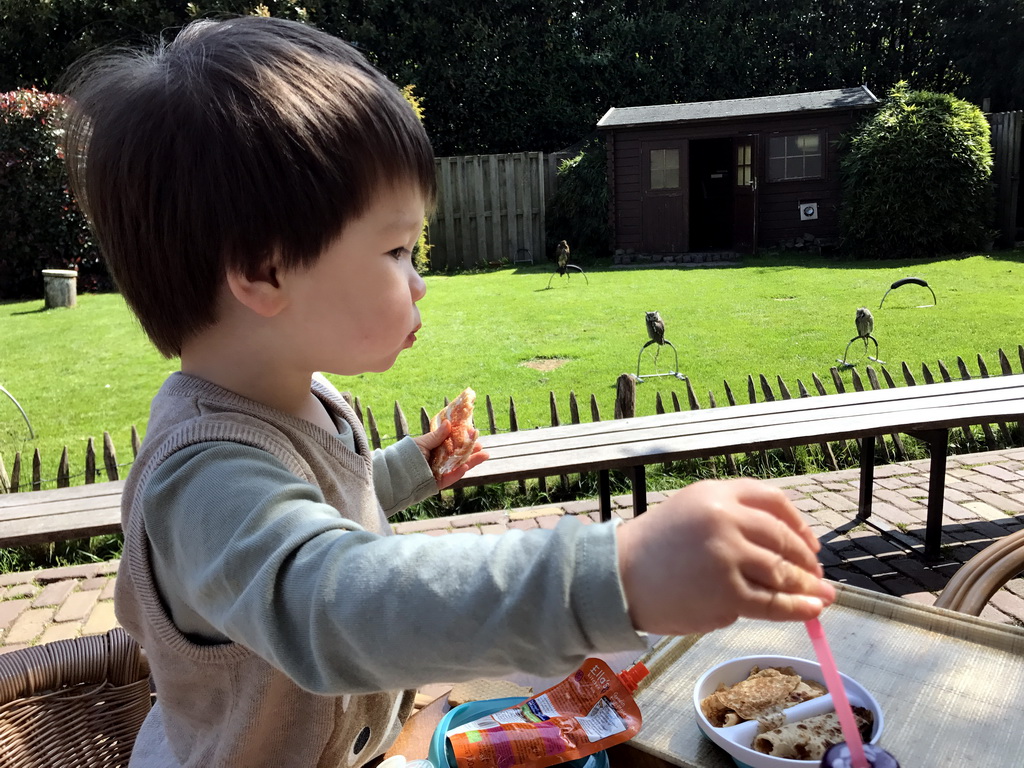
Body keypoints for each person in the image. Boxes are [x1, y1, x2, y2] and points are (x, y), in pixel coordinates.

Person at [61, 16, 835, 767]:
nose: (419, 281)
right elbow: (331, 604)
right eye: (397, 249)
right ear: (266, 271)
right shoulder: (198, 481)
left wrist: (405, 469)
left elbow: (316, 505)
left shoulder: (297, 394)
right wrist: (612, 576)